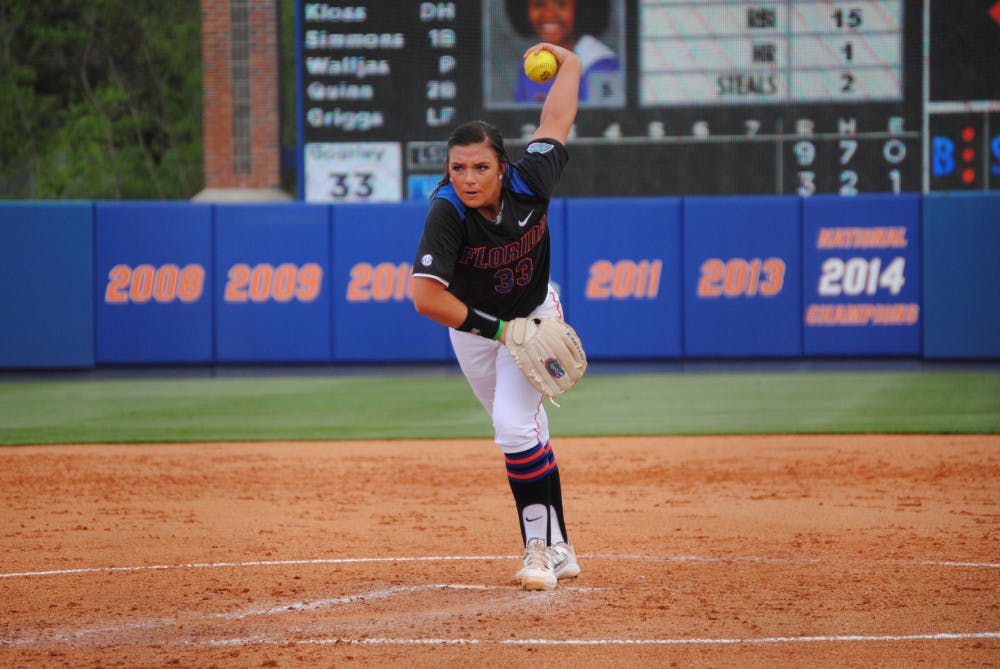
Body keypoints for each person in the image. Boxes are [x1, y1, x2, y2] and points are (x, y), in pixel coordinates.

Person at [411, 42, 582, 591]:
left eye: (480, 166)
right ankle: (561, 545)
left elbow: (557, 115)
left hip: (536, 316)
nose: (467, 177)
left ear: (501, 167)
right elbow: (425, 298)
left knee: (513, 427)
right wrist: (500, 332)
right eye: (457, 167)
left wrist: (569, 61)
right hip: (479, 332)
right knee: (522, 432)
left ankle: (536, 547)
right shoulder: (448, 211)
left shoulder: (532, 178)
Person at [506, 0, 622, 105]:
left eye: (561, 4)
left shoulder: (601, 64)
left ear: (580, 8)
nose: (549, 14)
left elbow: (607, 123)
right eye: (539, 4)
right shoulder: (530, 63)